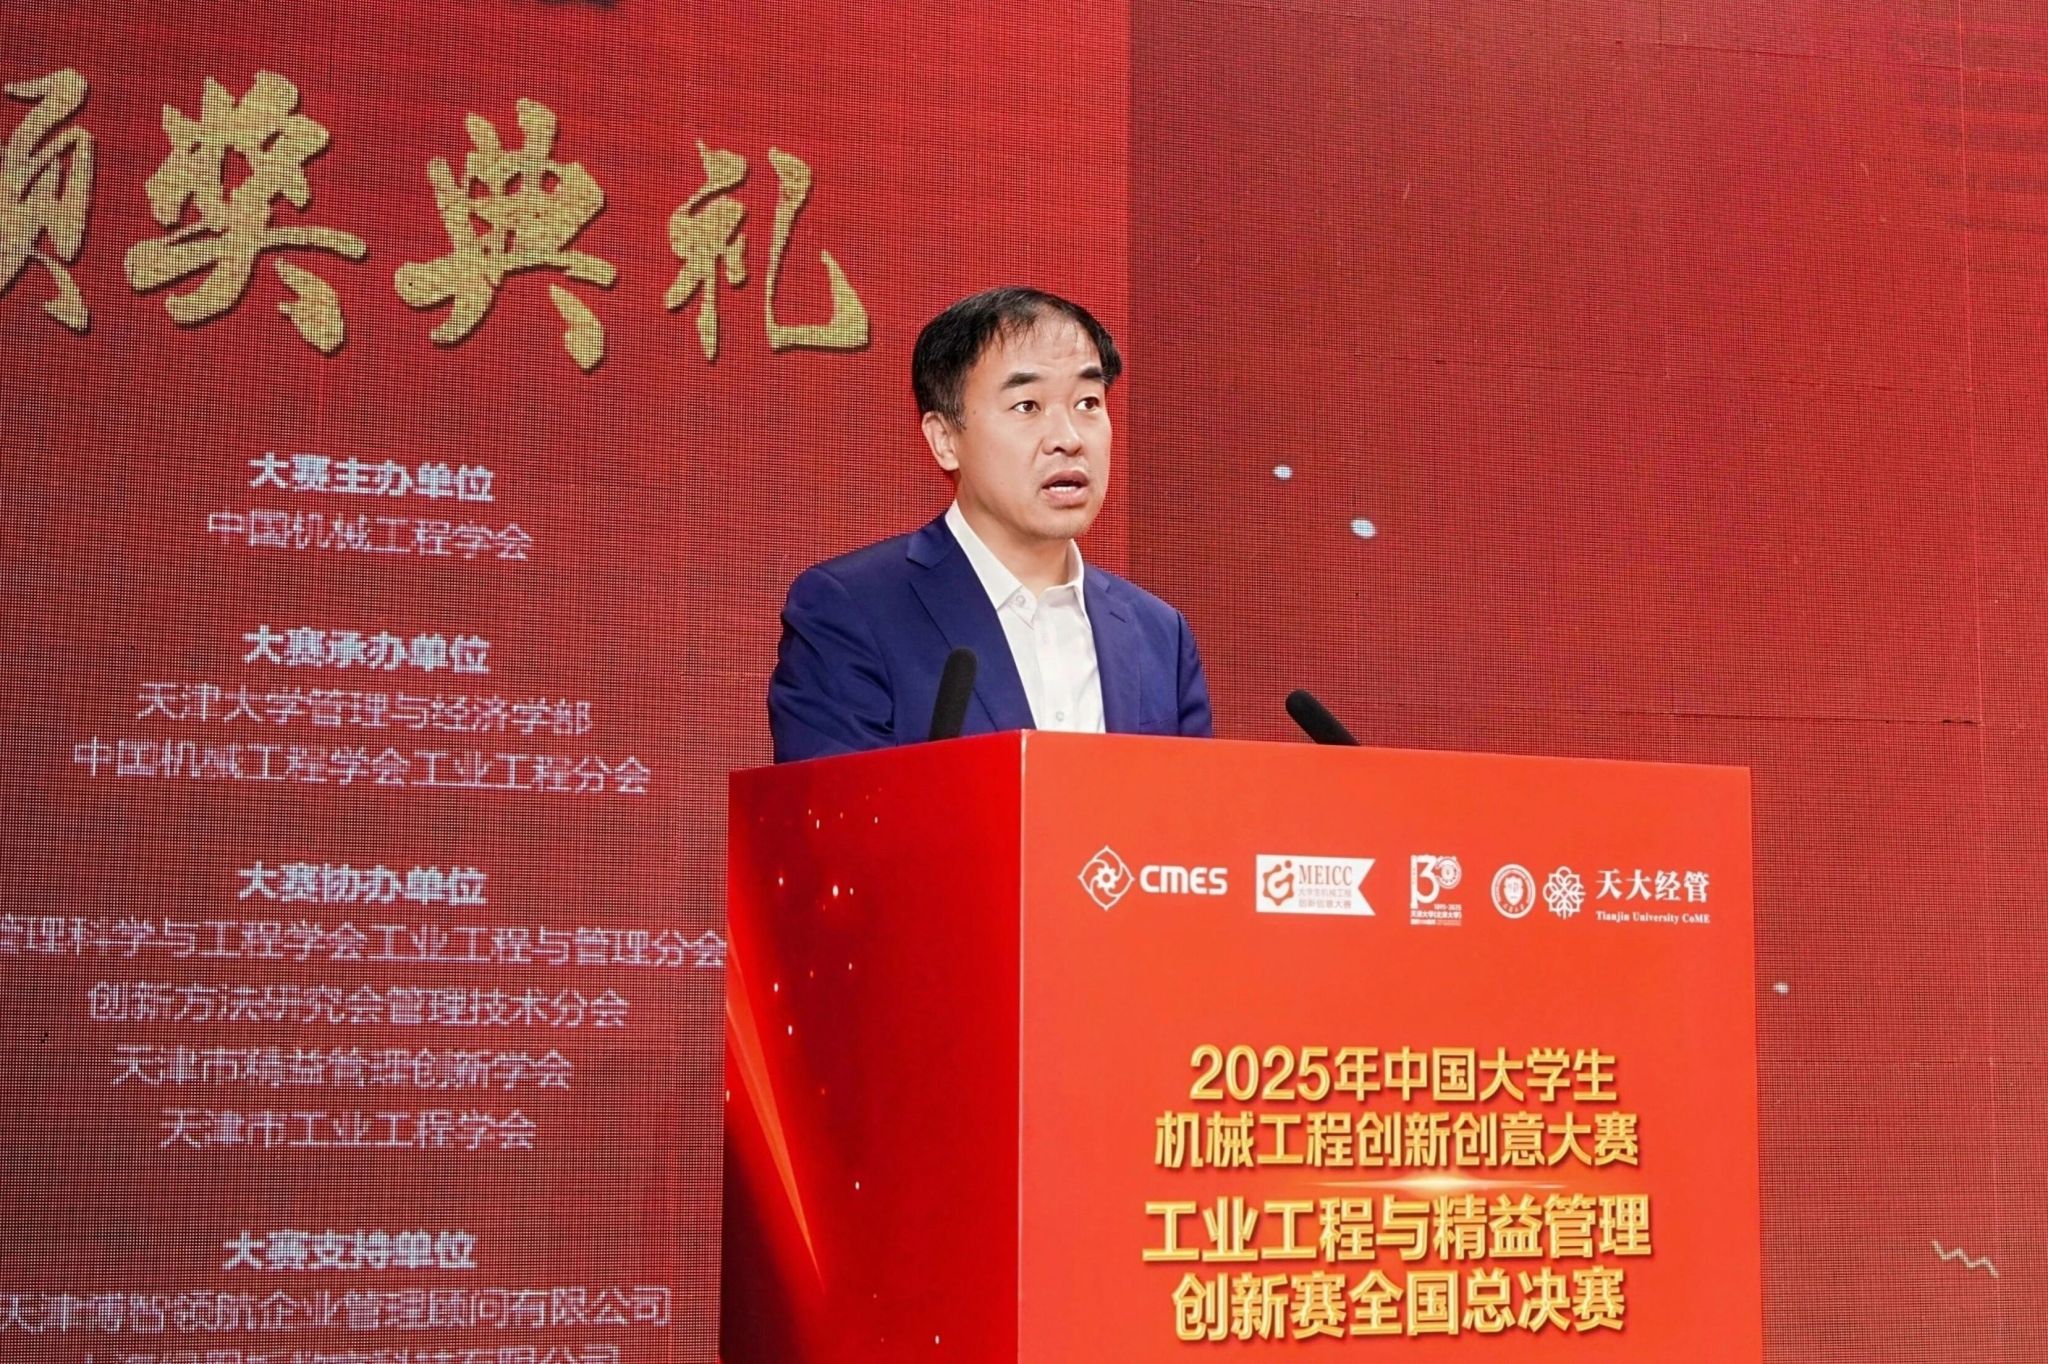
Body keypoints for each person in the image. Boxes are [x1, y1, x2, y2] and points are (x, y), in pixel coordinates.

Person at [768, 286, 1212, 762]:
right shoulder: (852, 610)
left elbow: (1197, 805)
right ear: (945, 439)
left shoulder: (1159, 634)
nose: (1068, 439)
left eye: (1088, 403)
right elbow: (838, 807)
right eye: (1027, 406)